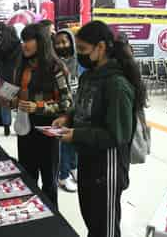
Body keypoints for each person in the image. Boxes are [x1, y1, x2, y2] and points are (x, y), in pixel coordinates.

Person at [52, 21, 146, 237]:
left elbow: (117, 135)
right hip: (87, 157)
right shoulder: (89, 76)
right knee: (92, 220)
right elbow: (82, 108)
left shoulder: (117, 84)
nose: (80, 54)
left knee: (105, 228)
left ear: (101, 48)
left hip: (108, 166)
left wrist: (76, 134)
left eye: (84, 49)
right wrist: (68, 118)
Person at [11, 23, 73, 208]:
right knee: (28, 180)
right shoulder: (22, 66)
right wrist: (11, 101)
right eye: (23, 40)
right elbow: (16, 94)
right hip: (25, 130)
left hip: (48, 132)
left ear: (41, 41)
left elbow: (67, 104)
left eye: (29, 40)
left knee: (48, 183)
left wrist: (38, 107)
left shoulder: (56, 68)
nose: (24, 44)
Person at [54, 29, 79, 193]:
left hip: (78, 109)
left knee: (74, 141)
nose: (62, 45)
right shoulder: (55, 64)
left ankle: (73, 168)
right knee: (63, 142)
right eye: (58, 43)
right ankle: (62, 176)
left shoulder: (79, 61)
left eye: (65, 41)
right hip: (61, 110)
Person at [0, 24, 22, 136]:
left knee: (4, 104)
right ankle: (21, 126)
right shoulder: (20, 46)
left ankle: (6, 127)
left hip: (4, 76)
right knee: (20, 103)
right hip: (17, 75)